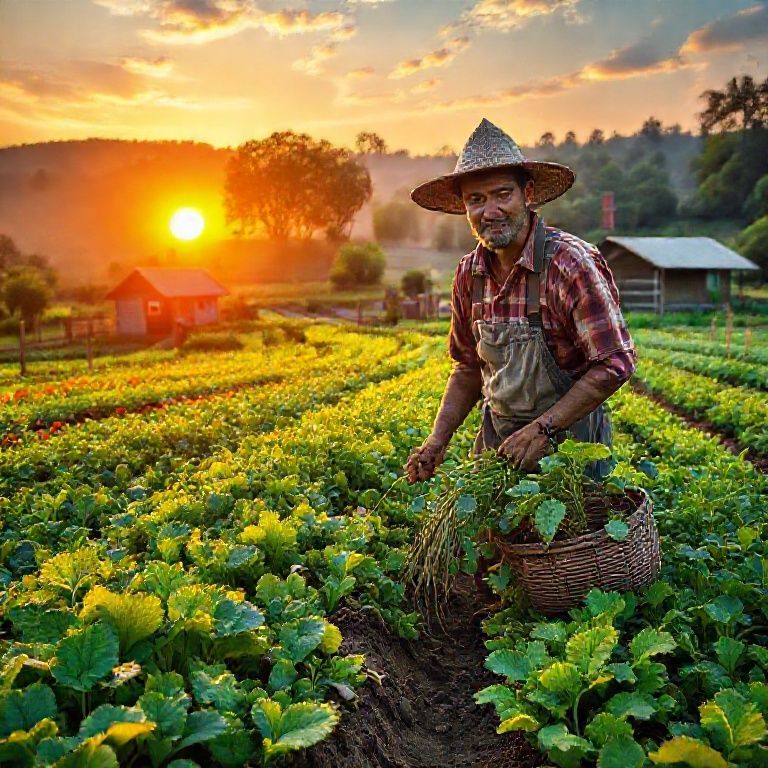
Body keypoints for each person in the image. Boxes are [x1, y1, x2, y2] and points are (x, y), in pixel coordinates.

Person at [404, 119, 636, 483]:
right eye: (476, 200)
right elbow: (466, 367)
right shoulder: (469, 275)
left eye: (502, 194)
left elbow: (615, 362)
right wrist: (436, 442)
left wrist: (543, 429)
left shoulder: (570, 264)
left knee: (570, 537)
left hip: (571, 454)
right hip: (498, 453)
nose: (490, 211)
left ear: (527, 193)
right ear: (464, 207)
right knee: (488, 539)